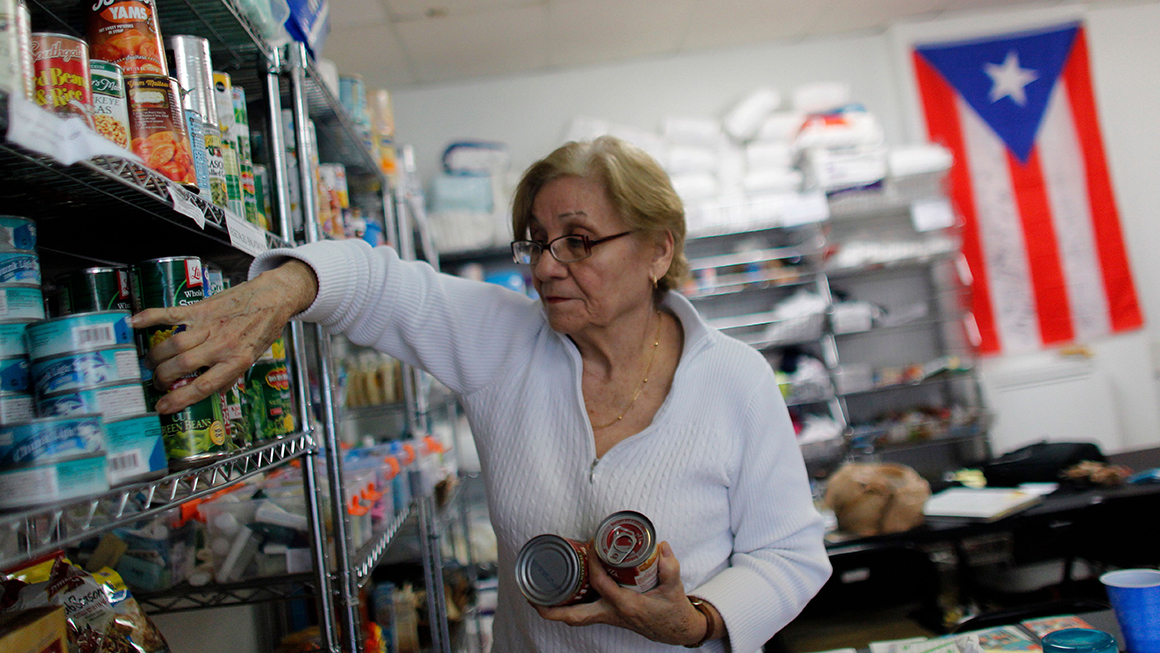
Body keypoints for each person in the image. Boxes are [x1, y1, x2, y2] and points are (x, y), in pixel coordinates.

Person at [136, 136, 832, 651]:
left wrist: (698, 620)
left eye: (579, 241)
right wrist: (274, 295)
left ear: (657, 250)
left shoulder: (734, 377)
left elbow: (791, 554)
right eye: (535, 243)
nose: (548, 267)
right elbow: (380, 283)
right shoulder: (504, 342)